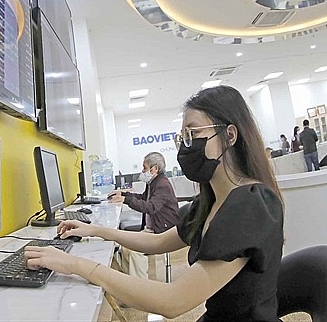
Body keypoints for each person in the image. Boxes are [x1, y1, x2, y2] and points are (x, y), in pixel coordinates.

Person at [24, 85, 284, 320]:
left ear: (229, 135)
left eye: (192, 134)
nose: (186, 146)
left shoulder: (251, 204)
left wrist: (77, 265)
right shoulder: (212, 200)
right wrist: (97, 231)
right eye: (182, 137)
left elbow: (174, 301)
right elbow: (159, 242)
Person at [107, 152, 179, 277]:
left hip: (162, 231)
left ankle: (140, 287)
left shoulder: (162, 185)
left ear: (155, 168)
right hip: (152, 229)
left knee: (135, 253)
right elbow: (143, 198)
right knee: (125, 247)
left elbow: (150, 207)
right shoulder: (153, 183)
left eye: (145, 168)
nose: (142, 171)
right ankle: (129, 282)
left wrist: (126, 200)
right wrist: (123, 195)